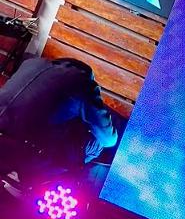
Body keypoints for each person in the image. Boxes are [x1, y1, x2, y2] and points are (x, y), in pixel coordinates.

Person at [0, 56, 118, 185]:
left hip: (8, 136)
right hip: (22, 145)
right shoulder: (83, 83)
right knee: (98, 144)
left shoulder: (32, 63)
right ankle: (69, 168)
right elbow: (108, 139)